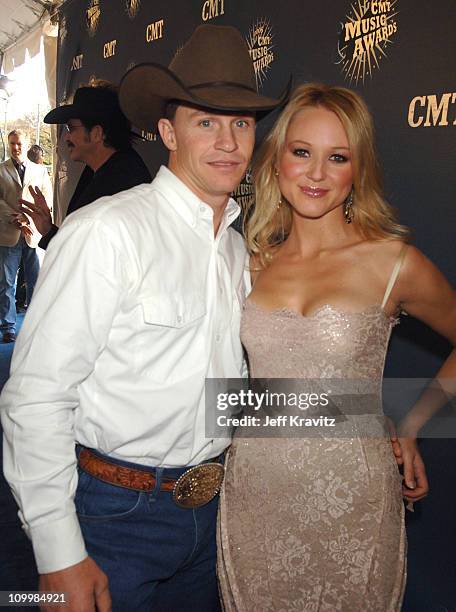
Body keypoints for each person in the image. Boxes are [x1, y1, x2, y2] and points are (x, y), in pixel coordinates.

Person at [1, 25, 289, 612]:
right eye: (206, 121)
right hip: (112, 519)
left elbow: (218, 397)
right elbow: (35, 398)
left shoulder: (238, 250)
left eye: (240, 123)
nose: (228, 140)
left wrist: (358, 414)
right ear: (167, 132)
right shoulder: (107, 233)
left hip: (214, 515)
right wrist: (58, 555)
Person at [218, 83, 456, 611]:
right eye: (302, 152)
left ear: (358, 170)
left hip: (354, 500)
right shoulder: (247, 259)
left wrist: (412, 424)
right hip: (256, 494)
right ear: (277, 160)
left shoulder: (392, 263)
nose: (317, 173)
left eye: (338, 157)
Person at [19, 80, 151, 250]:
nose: (66, 137)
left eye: (71, 128)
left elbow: (93, 259)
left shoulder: (124, 182)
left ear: (96, 133)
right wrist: (47, 230)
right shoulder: (105, 170)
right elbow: (81, 249)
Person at [0, 129, 52, 342]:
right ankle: (8, 327)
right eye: (12, 143)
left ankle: (35, 325)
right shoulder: (0, 170)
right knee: (6, 283)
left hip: (34, 234)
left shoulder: (40, 172)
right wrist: (17, 218)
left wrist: (28, 220)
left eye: (19, 143)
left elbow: (46, 201)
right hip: (8, 233)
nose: (15, 147)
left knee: (36, 281)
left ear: (28, 144)